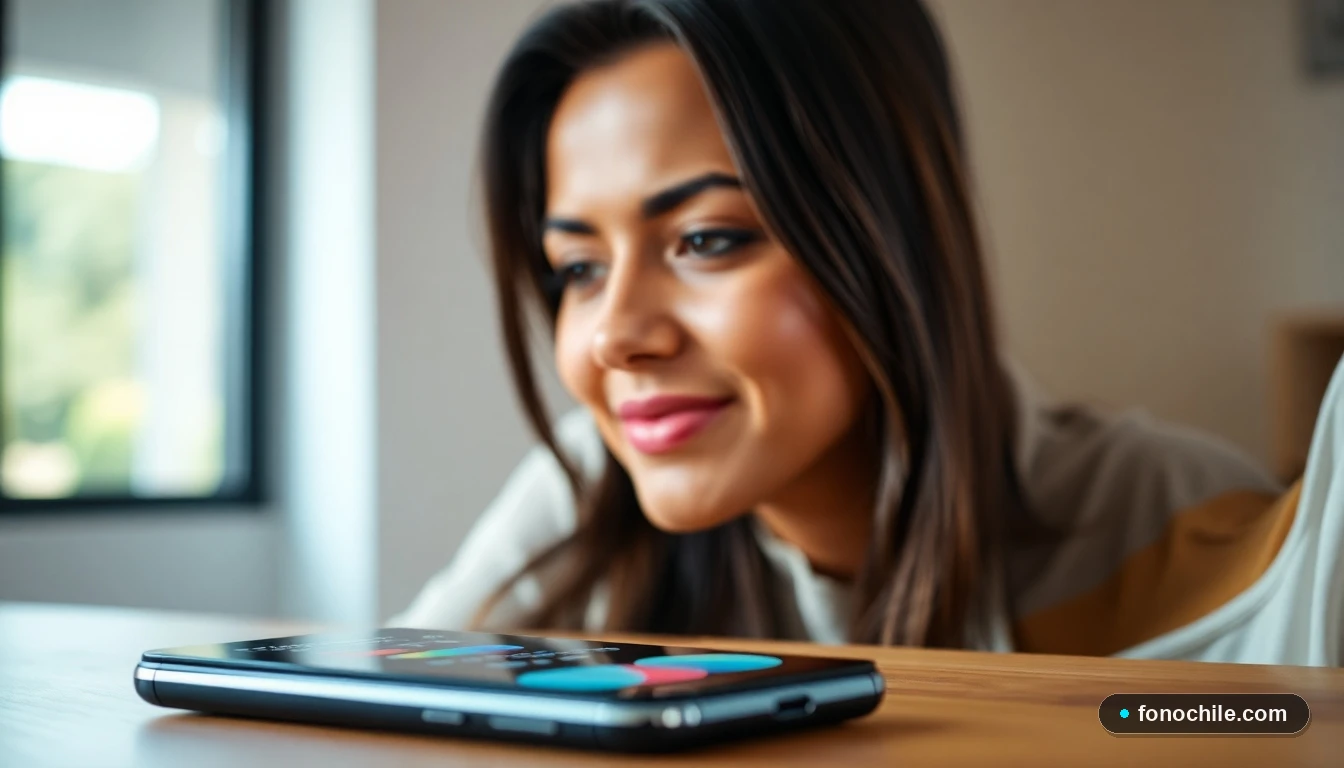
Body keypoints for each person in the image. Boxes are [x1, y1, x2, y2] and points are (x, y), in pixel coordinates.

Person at [391, 0, 1343, 665]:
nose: (613, 338)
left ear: (888, 242)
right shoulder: (591, 499)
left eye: (706, 239)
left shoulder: (1174, 518)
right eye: (580, 269)